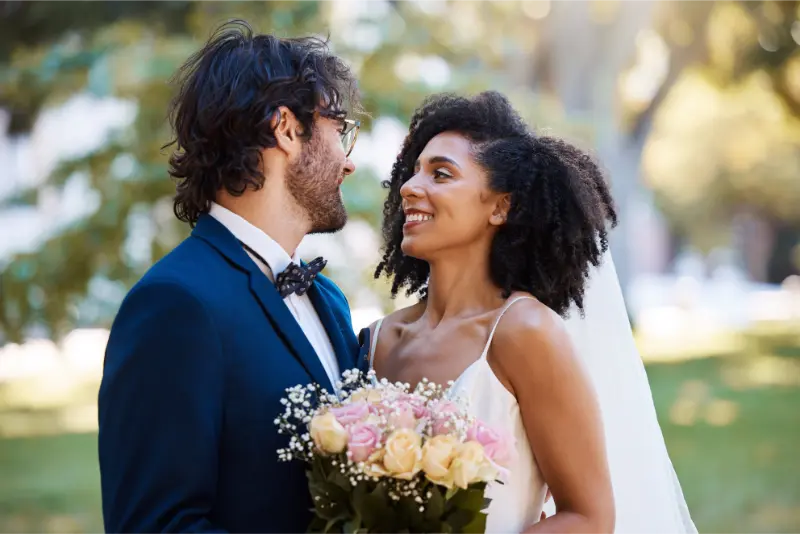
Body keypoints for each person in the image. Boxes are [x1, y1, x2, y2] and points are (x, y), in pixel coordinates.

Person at [365, 91, 697, 533]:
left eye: (440, 174)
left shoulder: (524, 332)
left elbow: (589, 517)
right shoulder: (376, 339)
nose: (409, 187)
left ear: (500, 206)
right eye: (412, 172)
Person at [97, 20, 363, 533]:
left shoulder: (329, 299)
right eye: (339, 129)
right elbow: (153, 526)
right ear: (286, 128)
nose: (348, 163)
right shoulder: (175, 305)